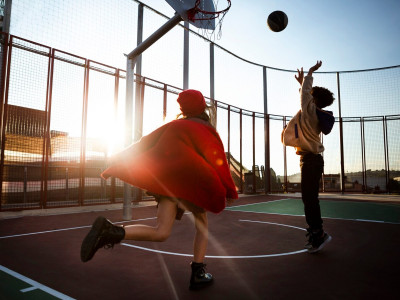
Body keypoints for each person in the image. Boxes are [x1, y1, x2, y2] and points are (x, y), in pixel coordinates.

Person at [80, 89, 238, 290]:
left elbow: (142, 144)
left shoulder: (172, 126)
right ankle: (198, 273)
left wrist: (116, 162)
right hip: (190, 183)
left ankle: (111, 231)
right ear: (202, 107)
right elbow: (219, 163)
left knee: (161, 232)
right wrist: (230, 191)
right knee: (202, 226)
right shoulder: (206, 130)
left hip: (167, 184)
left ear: (182, 109)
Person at [281, 60, 335, 253]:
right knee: (310, 198)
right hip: (312, 160)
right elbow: (305, 96)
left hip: (311, 160)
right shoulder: (314, 113)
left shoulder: (310, 111)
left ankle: (318, 234)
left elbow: (305, 96)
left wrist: (310, 73)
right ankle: (317, 232)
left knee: (309, 198)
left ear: (312, 100)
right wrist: (302, 82)